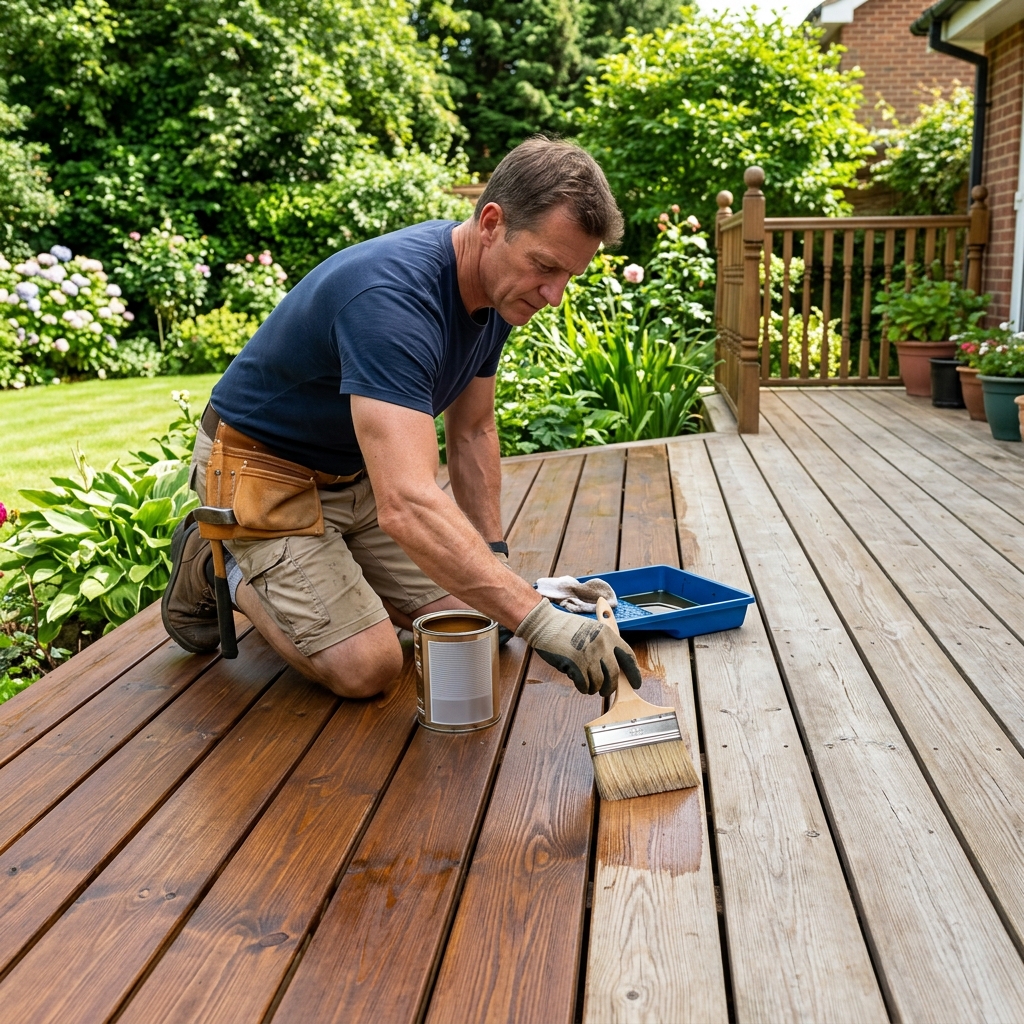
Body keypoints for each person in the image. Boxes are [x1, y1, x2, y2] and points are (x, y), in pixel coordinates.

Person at [162, 137, 641, 700]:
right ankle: (218, 556)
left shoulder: (495, 291)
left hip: (356, 475)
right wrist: (540, 619)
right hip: (263, 475)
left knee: (479, 626)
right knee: (369, 667)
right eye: (545, 266)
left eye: (569, 276)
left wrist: (494, 564)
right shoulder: (393, 300)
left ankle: (326, 574)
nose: (554, 294)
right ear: (492, 222)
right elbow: (408, 502)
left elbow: (473, 430)